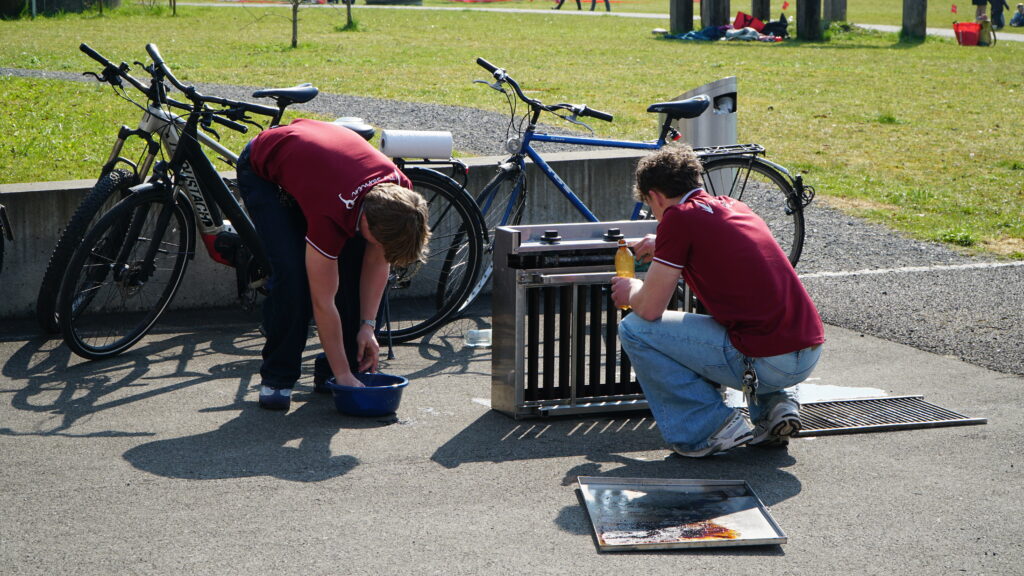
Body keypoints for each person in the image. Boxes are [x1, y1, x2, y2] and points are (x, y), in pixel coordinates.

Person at [610, 146, 824, 457]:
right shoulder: (734, 207)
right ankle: (775, 407)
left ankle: (710, 428)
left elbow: (650, 308)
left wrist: (631, 289)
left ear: (655, 196)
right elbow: (710, 245)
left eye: (649, 205)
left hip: (767, 362)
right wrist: (663, 244)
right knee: (751, 314)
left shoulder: (677, 220)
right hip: (806, 352)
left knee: (633, 328)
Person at [236, 118, 430, 411]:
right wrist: (344, 375)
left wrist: (367, 327)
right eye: (376, 240)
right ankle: (278, 377)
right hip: (265, 165)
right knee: (294, 279)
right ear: (365, 221)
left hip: (324, 165)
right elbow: (322, 301)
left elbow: (378, 260)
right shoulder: (332, 210)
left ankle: (333, 370)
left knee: (351, 274)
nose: (376, 248)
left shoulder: (403, 195)